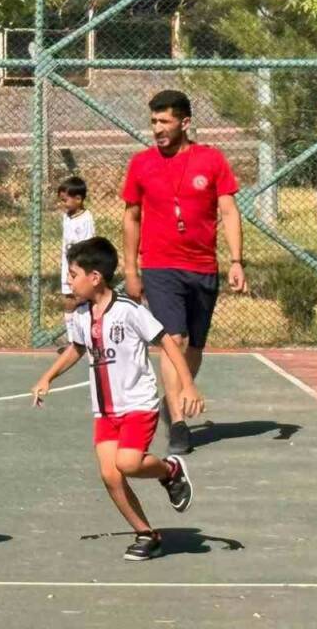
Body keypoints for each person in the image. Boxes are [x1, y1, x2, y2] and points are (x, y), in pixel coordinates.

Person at [31, 237, 203, 562]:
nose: (68, 280)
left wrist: (188, 385)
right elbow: (77, 348)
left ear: (95, 277)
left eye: (73, 273)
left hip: (137, 403)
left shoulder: (129, 311)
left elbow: (167, 343)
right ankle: (146, 534)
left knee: (128, 463)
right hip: (105, 409)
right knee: (111, 475)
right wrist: (47, 377)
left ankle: (170, 471)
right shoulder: (81, 315)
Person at [121, 89, 246, 456]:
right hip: (160, 266)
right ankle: (178, 422)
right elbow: (130, 218)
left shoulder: (212, 160)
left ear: (185, 123)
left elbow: (229, 212)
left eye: (164, 121)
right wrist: (131, 270)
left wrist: (237, 260)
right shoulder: (141, 164)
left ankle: (171, 398)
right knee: (172, 338)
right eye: (153, 121)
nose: (157, 128)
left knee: (194, 347)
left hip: (203, 267)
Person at [57, 175, 95, 349]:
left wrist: (78, 269)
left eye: (65, 200)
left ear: (78, 199)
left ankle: (88, 337)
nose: (63, 204)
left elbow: (87, 246)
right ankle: (72, 340)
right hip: (67, 265)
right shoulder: (67, 217)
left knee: (83, 299)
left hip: (80, 266)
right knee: (68, 299)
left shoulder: (86, 219)